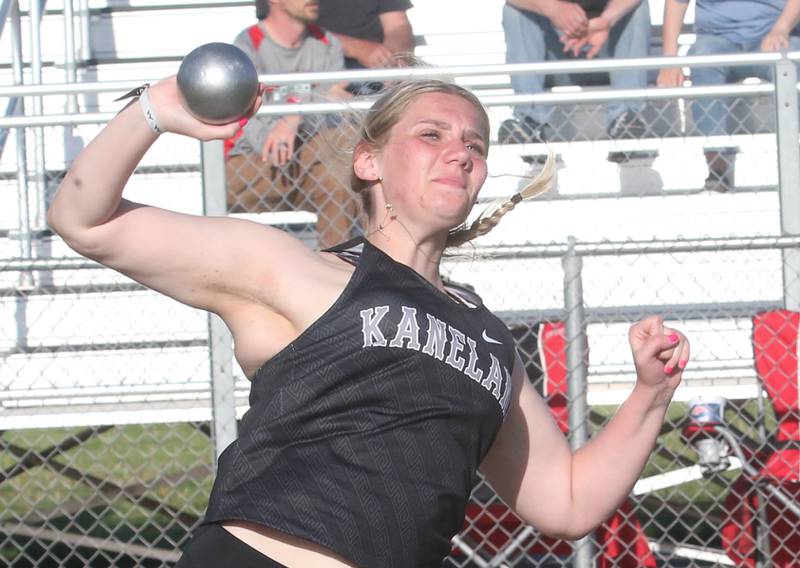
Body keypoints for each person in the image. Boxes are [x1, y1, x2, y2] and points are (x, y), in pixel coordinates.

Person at [47, 71, 691, 567]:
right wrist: (155, 110)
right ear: (369, 161)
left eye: (475, 144)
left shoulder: (490, 341)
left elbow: (567, 501)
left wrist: (650, 395)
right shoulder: (297, 272)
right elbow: (85, 219)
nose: (460, 153)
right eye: (431, 135)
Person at [226, 0, 361, 247]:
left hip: (307, 160)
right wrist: (316, 99)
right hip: (250, 165)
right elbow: (255, 132)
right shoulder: (248, 44)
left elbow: (332, 118)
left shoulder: (326, 43)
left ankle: (334, 268)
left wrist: (294, 117)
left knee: (340, 178)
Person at [657, 0, 800, 192]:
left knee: (790, 61)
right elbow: (676, 3)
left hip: (775, 34)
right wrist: (669, 60)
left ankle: (793, 159)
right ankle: (717, 166)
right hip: (718, 39)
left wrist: (781, 28)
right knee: (703, 57)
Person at [500, 0, 651, 143]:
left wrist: (607, 20)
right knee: (515, 11)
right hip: (553, 57)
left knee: (637, 8)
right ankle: (529, 122)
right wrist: (553, 9)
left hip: (607, 53)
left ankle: (625, 119)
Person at [316, 0, 415, 94]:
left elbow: (398, 26)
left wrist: (394, 58)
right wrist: (357, 48)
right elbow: (301, 30)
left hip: (377, 78)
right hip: (316, 74)